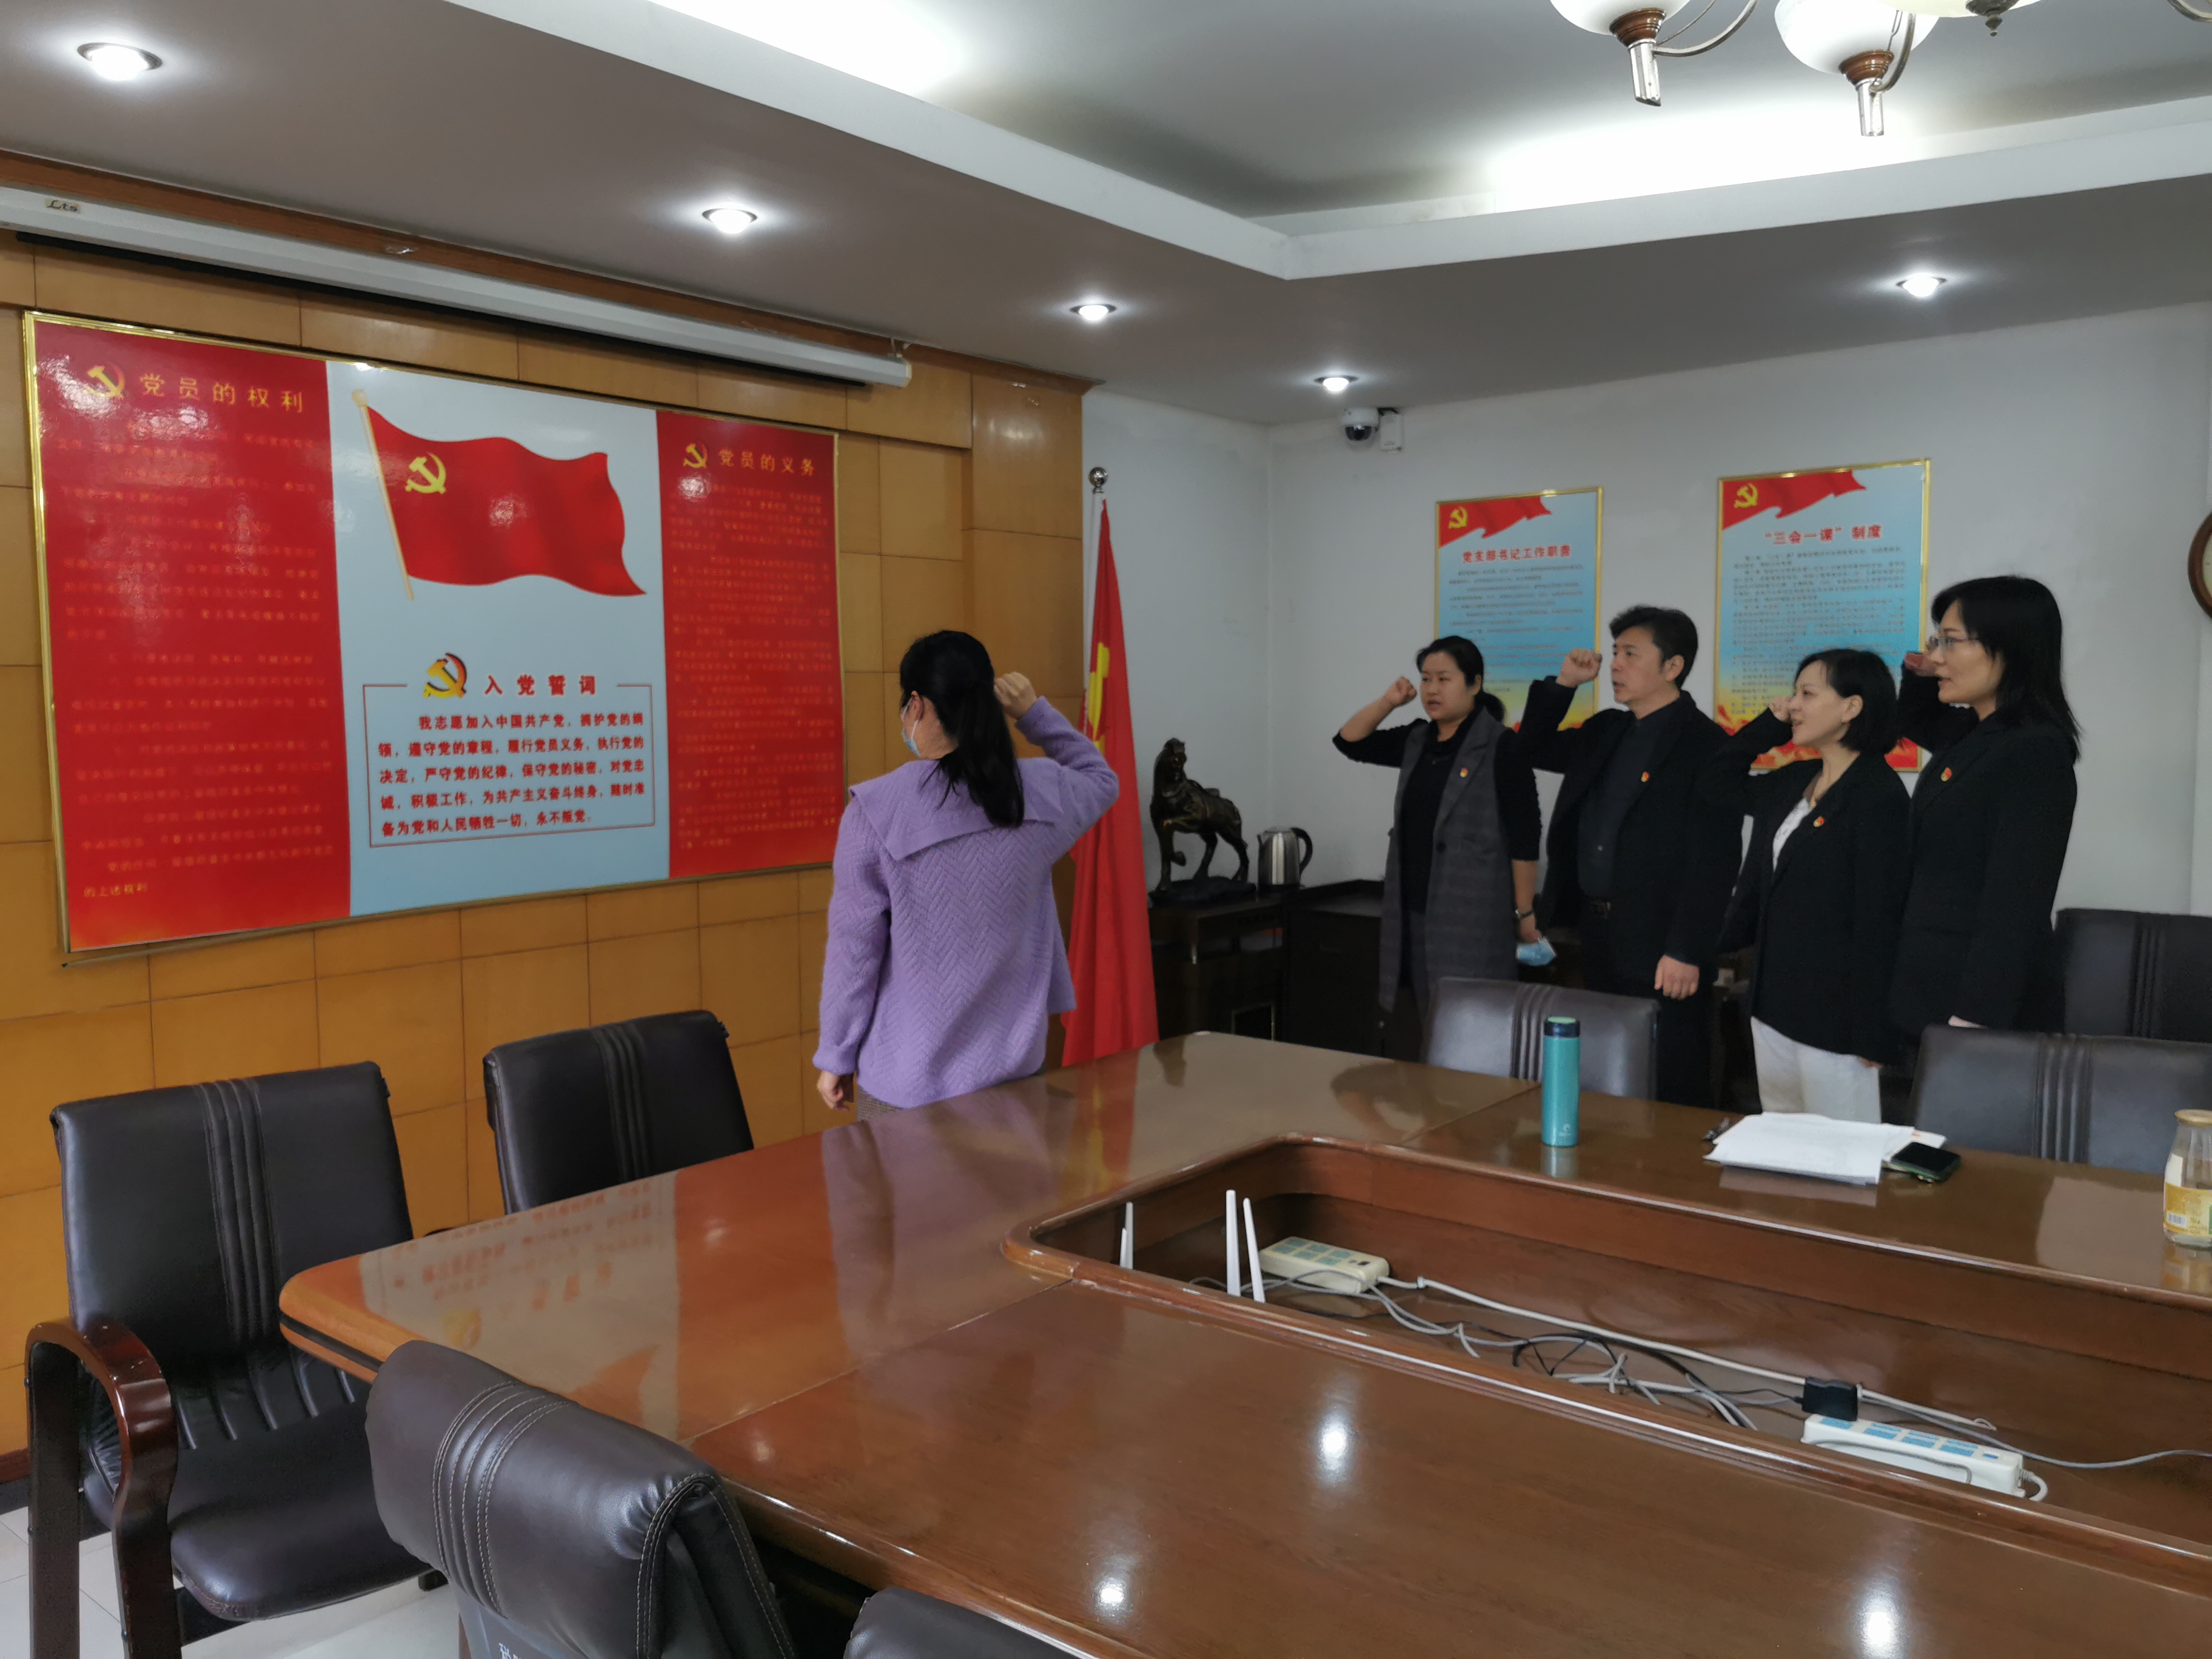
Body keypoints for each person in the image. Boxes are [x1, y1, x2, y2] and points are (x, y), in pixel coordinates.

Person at [814, 631, 1118, 1118]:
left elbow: (855, 951)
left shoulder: (876, 811)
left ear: (917, 706)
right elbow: (1101, 780)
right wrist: (1033, 713)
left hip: (905, 1090)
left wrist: (836, 1055)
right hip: (1014, 1081)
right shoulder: (1036, 794)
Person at [1520, 606, 1740, 1107]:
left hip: (1664, 941)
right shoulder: (1605, 731)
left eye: (1631, 654)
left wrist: (1687, 949)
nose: (1615, 664)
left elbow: (1716, 858)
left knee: (1672, 1072)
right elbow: (1528, 748)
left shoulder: (1707, 745)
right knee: (1608, 1070)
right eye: (1615, 652)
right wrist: (1564, 685)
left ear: (1672, 666)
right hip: (1596, 931)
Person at [1697, 649, 1910, 1122]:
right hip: (1773, 1001)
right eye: (1794, 694)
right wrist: (1768, 727)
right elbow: (1713, 782)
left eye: (1807, 694)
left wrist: (1872, 1029)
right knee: (1782, 1139)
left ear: (1851, 707)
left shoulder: (1878, 795)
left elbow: (1879, 920)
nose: (1793, 705)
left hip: (1836, 1016)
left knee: (1839, 1150)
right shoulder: (1795, 780)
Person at [1891, 575, 2080, 1045]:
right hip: (1933, 991)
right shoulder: (1975, 734)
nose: (1938, 656)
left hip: (1979, 1015)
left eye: (1951, 641)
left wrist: (1975, 1018)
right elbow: (1916, 718)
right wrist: (1922, 671)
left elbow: (2015, 902)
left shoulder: (2034, 750)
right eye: (1936, 641)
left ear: (2010, 647)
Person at [1334, 636, 1542, 1059]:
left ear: (1474, 684)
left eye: (1444, 679)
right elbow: (1349, 741)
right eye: (1426, 679)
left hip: (1472, 916)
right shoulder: (1417, 739)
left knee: (1471, 1029)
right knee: (1418, 1027)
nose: (1432, 689)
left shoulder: (1502, 746)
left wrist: (1525, 912)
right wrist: (1389, 701)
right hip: (1411, 912)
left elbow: (1525, 834)